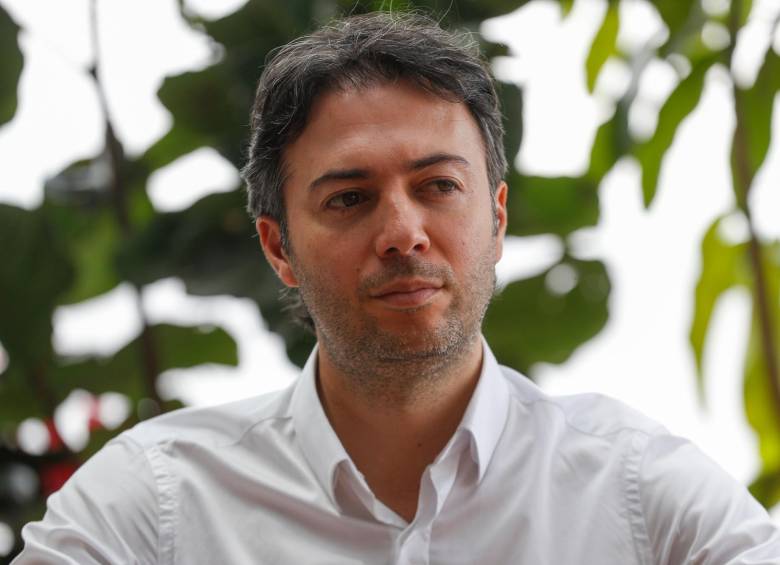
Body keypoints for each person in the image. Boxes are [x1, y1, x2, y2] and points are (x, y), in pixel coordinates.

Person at [13, 11, 780, 564]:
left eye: (438, 185)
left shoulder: (637, 489)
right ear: (278, 247)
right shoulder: (155, 503)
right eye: (349, 198)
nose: (402, 232)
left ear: (497, 218)